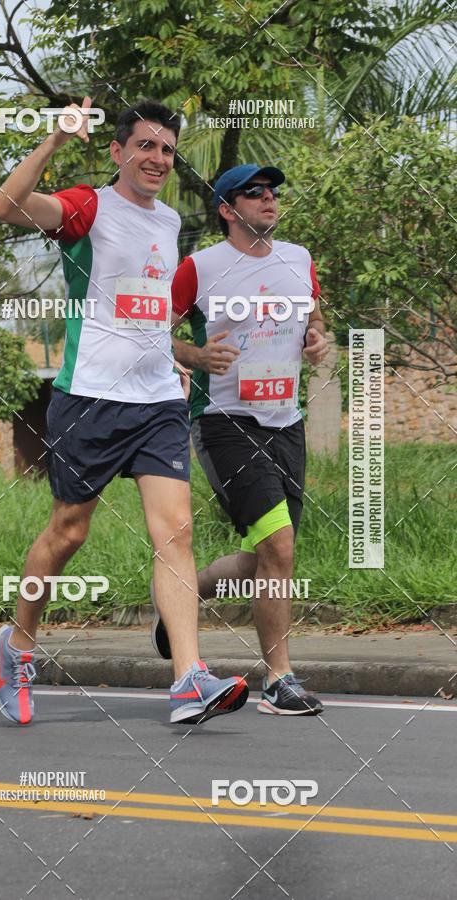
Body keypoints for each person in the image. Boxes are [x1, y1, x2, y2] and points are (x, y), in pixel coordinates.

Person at [0, 99, 248, 726]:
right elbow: (6, 206)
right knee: (67, 534)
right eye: (145, 147)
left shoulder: (167, 222)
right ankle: (18, 646)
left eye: (166, 149)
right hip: (91, 400)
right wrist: (53, 138)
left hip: (158, 399)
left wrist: (177, 355)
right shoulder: (88, 206)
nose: (157, 159)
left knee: (176, 532)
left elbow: (148, 315)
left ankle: (188, 679)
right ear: (118, 151)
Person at [151, 162, 327, 715]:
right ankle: (279, 681)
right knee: (278, 545)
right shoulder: (199, 268)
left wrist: (318, 339)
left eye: (274, 190)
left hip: (286, 421)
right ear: (229, 210)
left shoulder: (298, 260)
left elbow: (313, 318)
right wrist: (197, 356)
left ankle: (186, 592)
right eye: (254, 193)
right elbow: (151, 331)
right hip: (224, 421)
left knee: (268, 555)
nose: (269, 198)